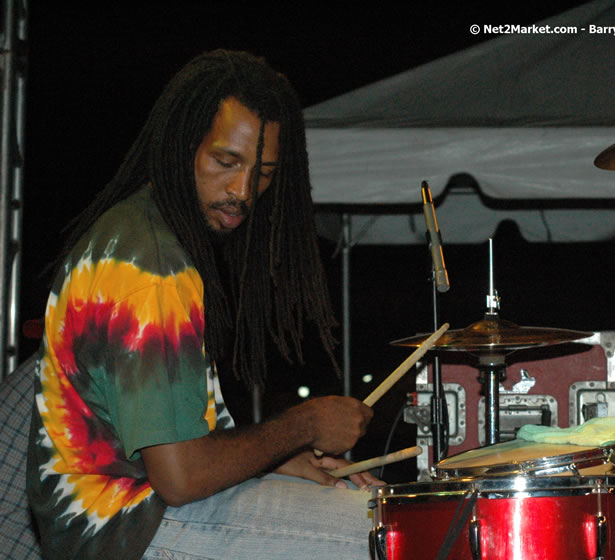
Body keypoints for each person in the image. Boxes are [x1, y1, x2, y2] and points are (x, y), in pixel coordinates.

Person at [26, 49, 379, 560]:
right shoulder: (152, 268)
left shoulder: (137, 234)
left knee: (359, 503)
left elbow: (171, 446)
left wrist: (276, 457)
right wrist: (302, 425)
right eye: (225, 162)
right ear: (180, 145)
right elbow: (181, 478)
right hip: (128, 528)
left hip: (128, 516)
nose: (242, 191)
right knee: (380, 530)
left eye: (263, 172)